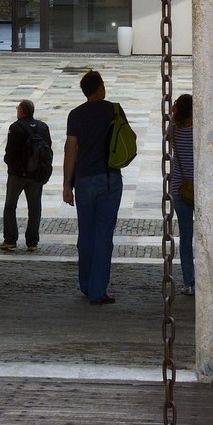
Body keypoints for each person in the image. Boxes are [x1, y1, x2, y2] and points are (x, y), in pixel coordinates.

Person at [62, 69, 123, 304]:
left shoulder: (75, 115)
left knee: (86, 234)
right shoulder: (113, 110)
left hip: (84, 180)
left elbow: (70, 150)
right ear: (100, 88)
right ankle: (98, 291)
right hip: (109, 178)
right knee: (103, 236)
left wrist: (67, 184)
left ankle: (86, 284)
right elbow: (129, 138)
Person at [0, 99, 50, 251]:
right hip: (36, 175)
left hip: (17, 175)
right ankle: (32, 242)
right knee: (34, 208)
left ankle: (10, 240)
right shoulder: (43, 127)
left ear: (21, 111)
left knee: (10, 206)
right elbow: (48, 149)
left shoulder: (15, 128)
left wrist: (10, 164)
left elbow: (10, 152)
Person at [172, 91, 195, 294]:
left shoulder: (174, 131)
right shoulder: (199, 132)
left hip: (180, 189)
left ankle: (189, 283)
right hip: (200, 190)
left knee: (186, 238)